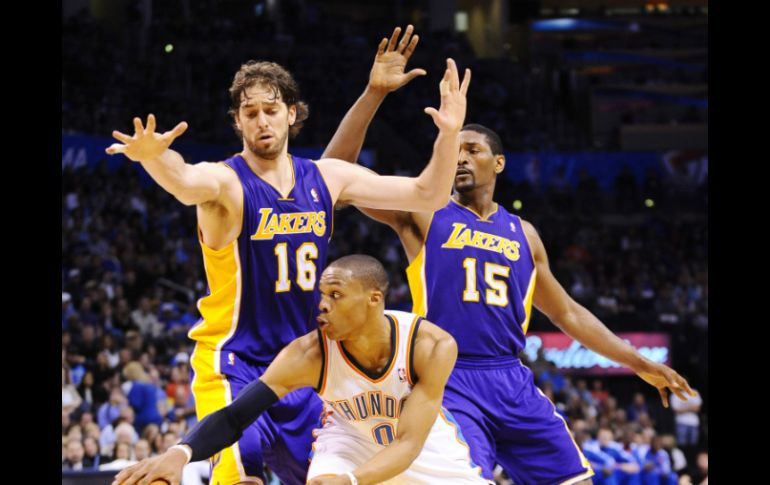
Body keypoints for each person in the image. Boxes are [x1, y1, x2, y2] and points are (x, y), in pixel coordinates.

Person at [106, 24, 470, 485]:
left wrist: (449, 134)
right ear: (237, 121)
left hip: (308, 362)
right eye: (250, 112)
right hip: (235, 360)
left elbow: (427, 194)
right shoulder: (227, 184)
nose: (261, 120)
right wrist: (154, 158)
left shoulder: (327, 177)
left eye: (270, 110)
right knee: (244, 476)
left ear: (291, 114)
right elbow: (185, 181)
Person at [322, 88, 696, 485]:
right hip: (448, 379)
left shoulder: (525, 235)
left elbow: (567, 313)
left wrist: (638, 362)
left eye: (473, 150)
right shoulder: (424, 212)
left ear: (499, 163)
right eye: (457, 149)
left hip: (511, 380)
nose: (462, 157)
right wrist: (374, 92)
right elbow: (335, 174)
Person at [113, 256, 491, 485]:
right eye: (322, 295)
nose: (322, 306)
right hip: (348, 440)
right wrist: (179, 453)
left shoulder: (431, 345)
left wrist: (354, 481)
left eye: (336, 296)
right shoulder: (309, 354)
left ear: (374, 300)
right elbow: (235, 416)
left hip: (425, 450)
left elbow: (408, 445)